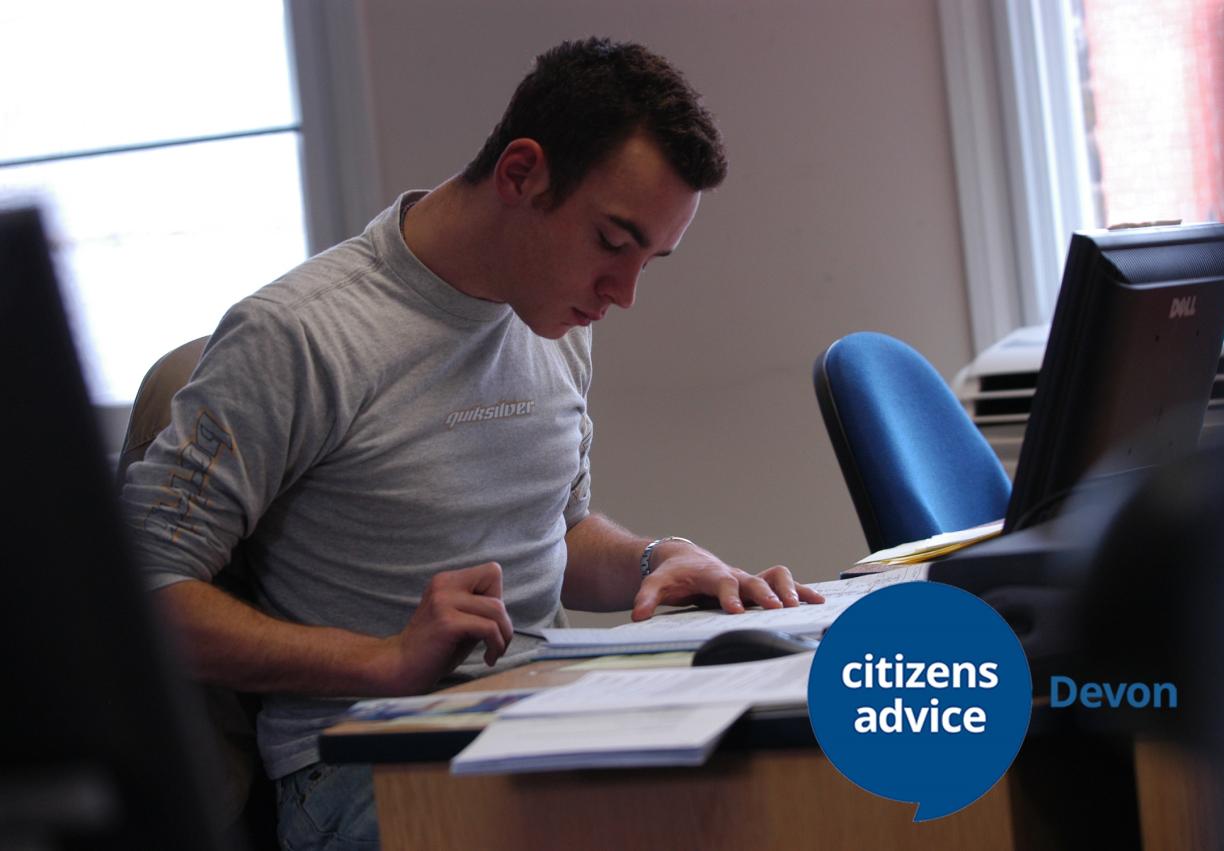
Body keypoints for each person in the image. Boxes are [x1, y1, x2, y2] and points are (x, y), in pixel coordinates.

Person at [120, 37, 823, 849]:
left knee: (785, 794)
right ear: (521, 173)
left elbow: (553, 531)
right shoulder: (299, 335)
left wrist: (652, 558)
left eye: (650, 260)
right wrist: (380, 660)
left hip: (536, 717)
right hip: (362, 765)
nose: (623, 294)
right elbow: (141, 594)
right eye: (613, 241)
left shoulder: (552, 315)